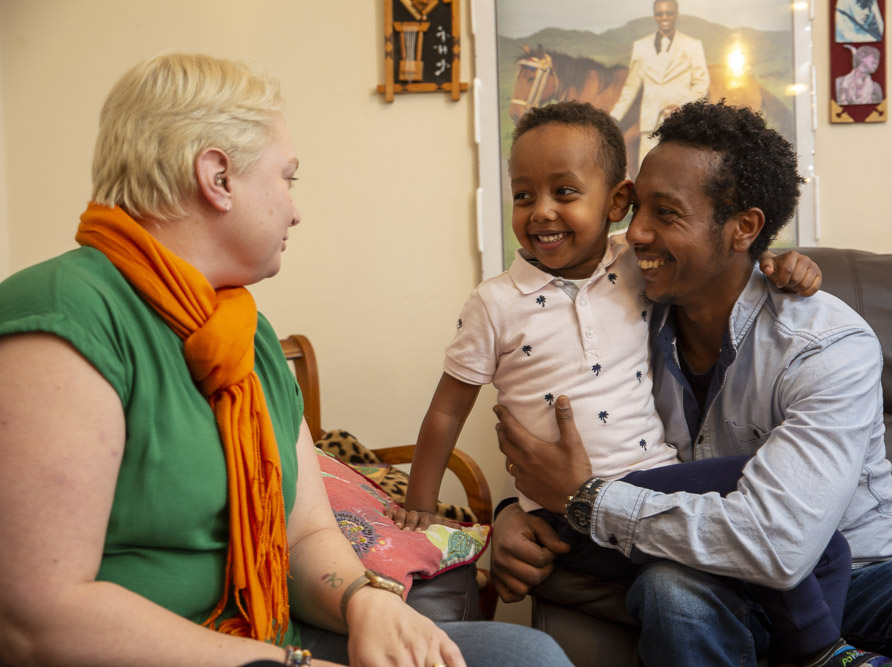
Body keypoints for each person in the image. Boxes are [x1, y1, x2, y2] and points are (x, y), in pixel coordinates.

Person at [0, 53, 572, 667]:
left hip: (262, 632)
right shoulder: (65, 313)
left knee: (525, 654)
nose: (295, 208)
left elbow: (305, 534)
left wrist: (363, 601)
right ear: (217, 178)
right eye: (287, 178)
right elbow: (37, 618)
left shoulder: (248, 333)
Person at [492, 100, 892, 666]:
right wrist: (514, 513)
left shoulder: (827, 344)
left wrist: (587, 500)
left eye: (666, 213)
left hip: (863, 570)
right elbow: (556, 433)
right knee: (672, 590)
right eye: (637, 209)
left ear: (744, 229)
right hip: (706, 572)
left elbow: (782, 544)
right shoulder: (621, 319)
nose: (634, 233)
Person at [397, 100, 886, 666]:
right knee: (745, 512)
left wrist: (783, 263)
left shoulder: (630, 266)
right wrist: (424, 505)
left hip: (655, 487)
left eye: (564, 192)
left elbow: (719, 257)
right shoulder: (494, 303)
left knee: (810, 533)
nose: (541, 212)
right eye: (523, 195)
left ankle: (814, 649)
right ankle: (822, 653)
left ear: (615, 201)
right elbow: (446, 412)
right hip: (570, 515)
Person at [609, 0, 709, 166]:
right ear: (654, 16)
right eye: (659, 14)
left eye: (669, 13)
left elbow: (701, 83)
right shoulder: (640, 46)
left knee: (679, 173)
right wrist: (614, 117)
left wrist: (682, 107)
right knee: (646, 173)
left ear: (676, 14)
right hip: (649, 126)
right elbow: (631, 87)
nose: (664, 17)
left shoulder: (692, 45)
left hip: (680, 125)